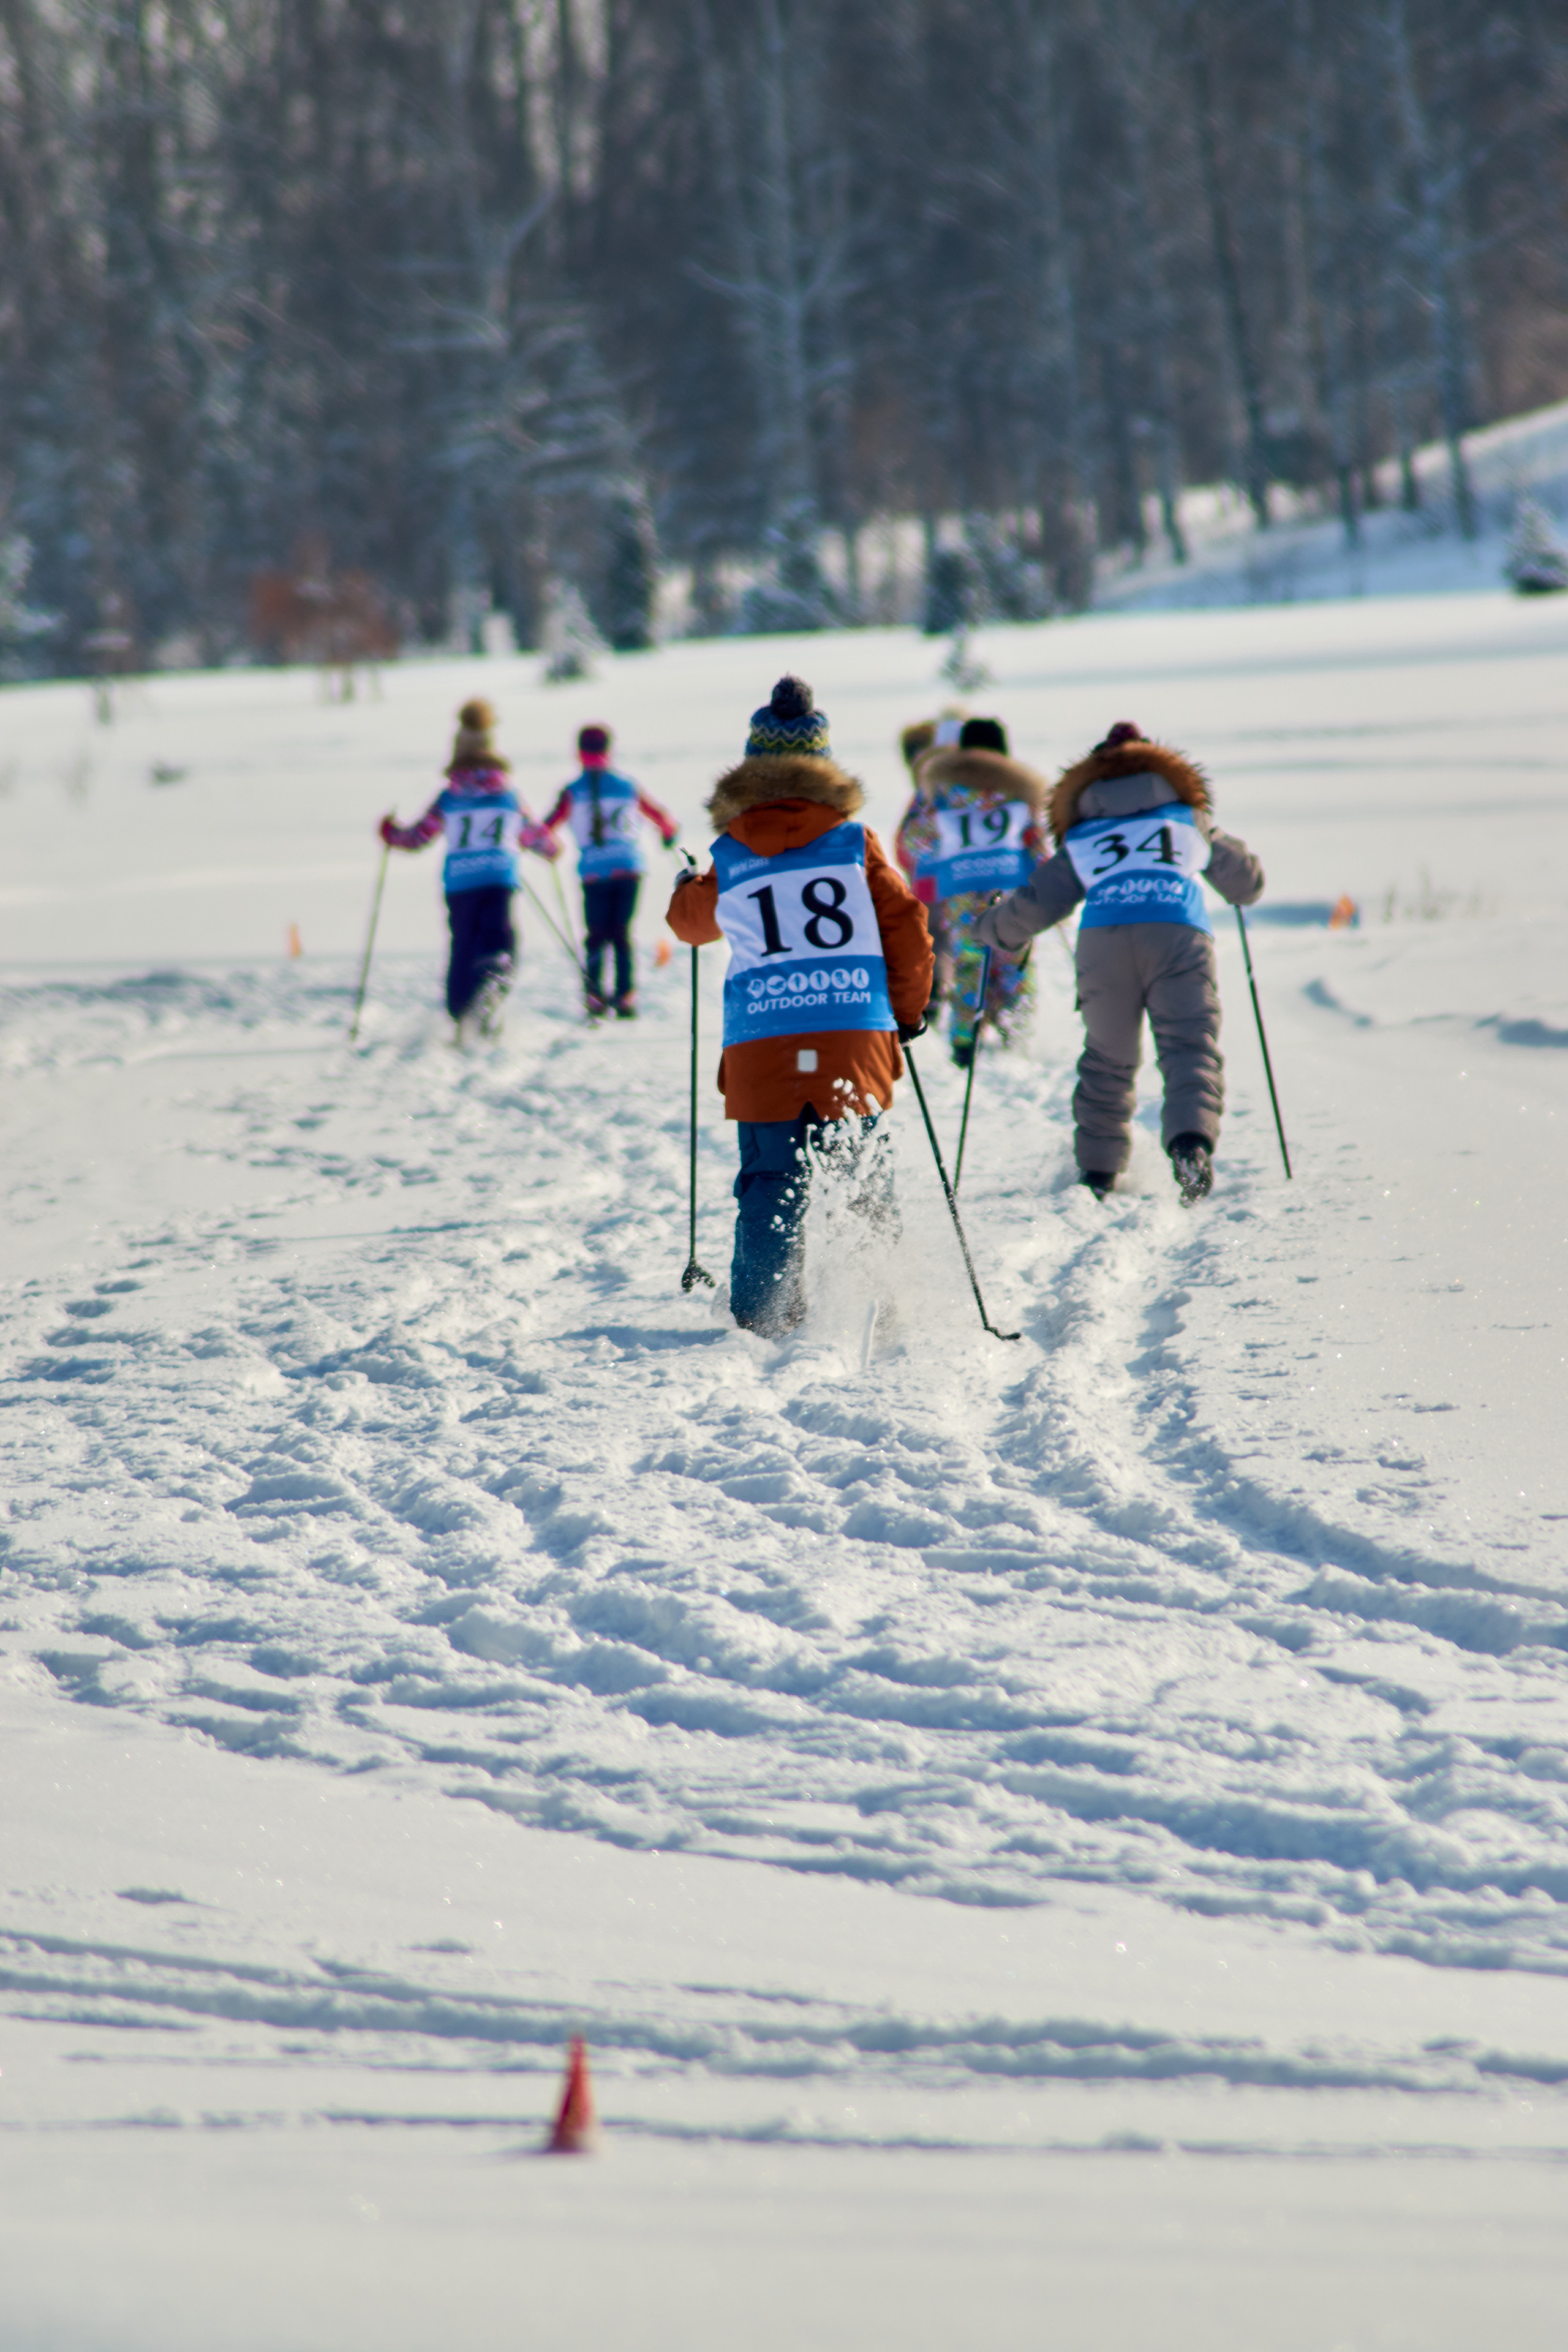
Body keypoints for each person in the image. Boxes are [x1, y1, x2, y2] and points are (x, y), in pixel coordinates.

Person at [666, 674, 933, 1336]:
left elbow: (689, 926)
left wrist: (686, 885)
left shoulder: (729, 852)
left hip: (764, 1042)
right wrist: (906, 1014)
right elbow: (906, 926)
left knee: (769, 1183)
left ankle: (766, 1319)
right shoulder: (854, 842)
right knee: (861, 1172)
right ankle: (886, 1302)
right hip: (853, 1031)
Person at [974, 720, 1264, 1202]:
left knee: (1109, 1058)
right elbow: (1246, 885)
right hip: (1177, 930)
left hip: (1104, 941)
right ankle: (1191, 1143)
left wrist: (991, 927)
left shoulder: (1085, 831)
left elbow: (1039, 902)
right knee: (1189, 1045)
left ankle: (1098, 1173)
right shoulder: (1186, 818)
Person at [379, 698, 557, 1042]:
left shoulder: (448, 798)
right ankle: (494, 977)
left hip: (459, 883)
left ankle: (459, 1008)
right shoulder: (509, 797)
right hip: (498, 877)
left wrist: (391, 834)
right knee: (498, 934)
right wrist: (551, 849)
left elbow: (418, 837)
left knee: (462, 942)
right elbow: (535, 837)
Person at [900, 715, 1046, 1068]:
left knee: (968, 962)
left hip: (961, 892)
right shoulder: (1018, 794)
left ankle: (965, 1039)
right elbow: (1036, 845)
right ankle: (1015, 1027)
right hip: (1012, 891)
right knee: (1016, 959)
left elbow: (916, 840)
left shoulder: (942, 794)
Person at [543, 723, 678, 1018]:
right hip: (629, 868)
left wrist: (545, 849)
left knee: (596, 935)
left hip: (593, 872)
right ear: (609, 751)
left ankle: (594, 995)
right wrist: (668, 836)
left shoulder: (572, 791)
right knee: (621, 933)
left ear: (579, 753)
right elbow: (663, 819)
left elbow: (545, 830)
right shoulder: (627, 786)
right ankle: (626, 995)